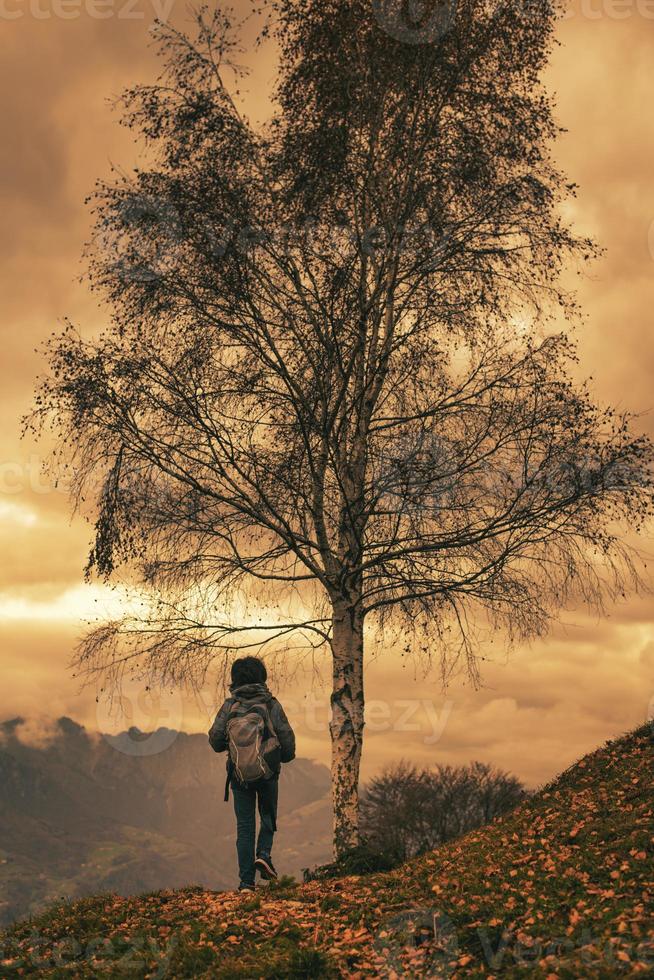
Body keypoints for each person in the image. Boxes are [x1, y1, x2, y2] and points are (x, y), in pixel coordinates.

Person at [208, 656, 296, 891]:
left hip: (239, 776)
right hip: (268, 773)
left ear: (234, 679)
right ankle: (264, 854)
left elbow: (215, 740)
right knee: (267, 817)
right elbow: (287, 739)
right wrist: (283, 757)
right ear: (262, 677)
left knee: (245, 827)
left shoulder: (229, 706)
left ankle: (246, 883)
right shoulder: (271, 704)